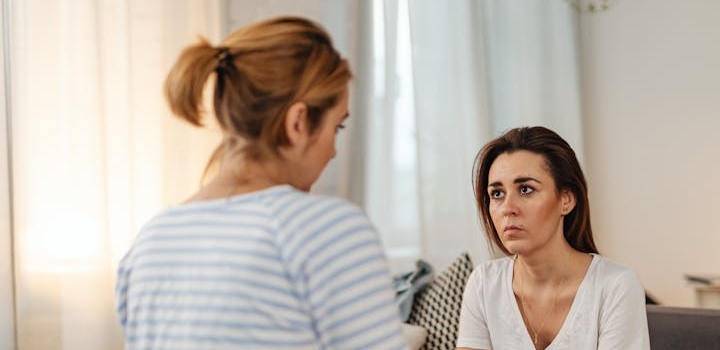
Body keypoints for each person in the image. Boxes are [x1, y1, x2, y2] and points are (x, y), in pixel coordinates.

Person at [115, 16, 408, 350]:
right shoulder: (327, 229)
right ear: (297, 122)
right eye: (335, 129)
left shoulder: (151, 240)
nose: (333, 152)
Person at [456, 126, 649, 350]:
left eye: (526, 189)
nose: (508, 208)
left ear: (566, 200)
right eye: (497, 194)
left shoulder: (616, 285)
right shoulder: (483, 283)